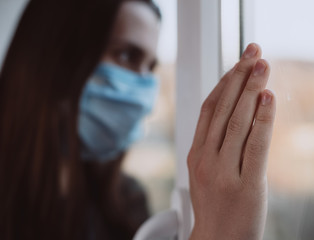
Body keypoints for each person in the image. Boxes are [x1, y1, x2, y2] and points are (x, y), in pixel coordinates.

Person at [0, 0, 276, 240]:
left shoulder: (126, 202)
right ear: (56, 57)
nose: (144, 87)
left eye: (151, 67)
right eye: (127, 55)